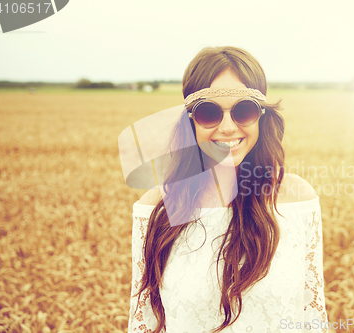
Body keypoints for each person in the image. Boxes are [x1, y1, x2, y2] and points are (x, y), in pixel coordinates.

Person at [127, 46, 328, 332]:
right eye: (208, 113)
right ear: (190, 121)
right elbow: (144, 323)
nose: (228, 127)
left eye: (243, 111)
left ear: (261, 116)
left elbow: (312, 317)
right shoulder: (155, 208)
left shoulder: (297, 199)